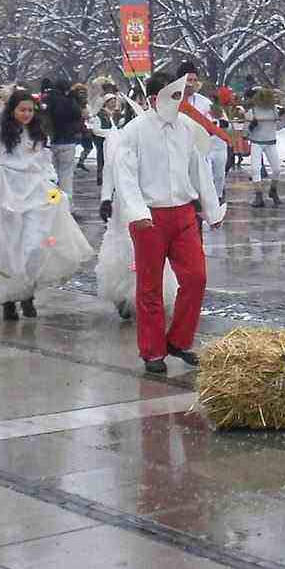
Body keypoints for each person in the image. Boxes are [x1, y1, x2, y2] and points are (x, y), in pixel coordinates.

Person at [109, 64, 224, 373]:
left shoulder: (186, 128)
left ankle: (179, 340)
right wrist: (137, 212)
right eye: (172, 96)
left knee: (196, 278)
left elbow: (198, 170)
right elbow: (125, 175)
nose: (177, 102)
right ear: (152, 99)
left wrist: (211, 210)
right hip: (149, 217)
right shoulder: (134, 132)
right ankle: (152, 351)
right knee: (150, 286)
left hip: (184, 214)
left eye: (179, 96)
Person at [0, 65, 93, 321]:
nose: (27, 114)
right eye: (22, 109)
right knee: (8, 247)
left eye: (30, 110)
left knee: (34, 246)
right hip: (7, 193)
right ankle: (9, 298)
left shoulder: (38, 134)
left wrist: (55, 194)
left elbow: (45, 167)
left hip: (36, 193)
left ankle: (27, 291)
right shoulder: (0, 131)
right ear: (12, 110)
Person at [43, 78, 84, 199]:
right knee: (66, 175)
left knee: (52, 177)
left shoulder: (47, 100)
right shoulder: (69, 101)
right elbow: (78, 115)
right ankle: (66, 204)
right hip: (67, 141)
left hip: (51, 141)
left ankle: (53, 201)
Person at [244, 85, 284, 208]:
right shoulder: (252, 112)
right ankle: (258, 195)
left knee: (277, 169)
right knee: (255, 169)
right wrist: (251, 126)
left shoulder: (274, 110)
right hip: (257, 142)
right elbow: (245, 133)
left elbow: (279, 127)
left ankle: (273, 190)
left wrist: (284, 116)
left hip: (270, 142)